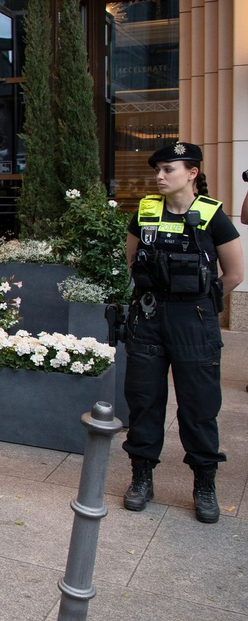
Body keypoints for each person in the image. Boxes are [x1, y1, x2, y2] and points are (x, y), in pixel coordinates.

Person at [121, 142, 243, 524]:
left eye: (168, 169)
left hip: (194, 318)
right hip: (150, 315)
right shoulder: (144, 212)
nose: (160, 175)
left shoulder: (212, 215)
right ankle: (142, 477)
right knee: (143, 398)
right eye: (157, 169)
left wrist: (202, 302)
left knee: (199, 403)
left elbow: (235, 273)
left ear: (192, 173)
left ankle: (204, 484)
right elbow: (131, 260)